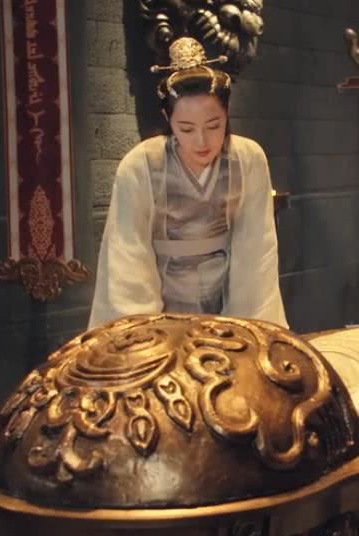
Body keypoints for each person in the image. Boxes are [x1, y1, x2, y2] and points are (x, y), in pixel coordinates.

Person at [88, 37, 287, 329]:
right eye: (186, 129)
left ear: (227, 112)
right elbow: (128, 257)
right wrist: (146, 333)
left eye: (214, 125)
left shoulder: (248, 159)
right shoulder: (142, 164)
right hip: (159, 310)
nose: (202, 141)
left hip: (228, 306)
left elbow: (256, 252)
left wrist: (247, 330)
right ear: (167, 118)